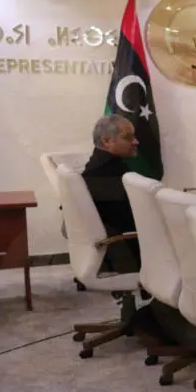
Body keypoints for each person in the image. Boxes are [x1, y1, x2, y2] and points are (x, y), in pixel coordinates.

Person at [82, 114, 140, 273]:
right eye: (128, 137)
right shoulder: (106, 175)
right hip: (123, 253)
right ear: (107, 141)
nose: (136, 142)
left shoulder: (96, 167)